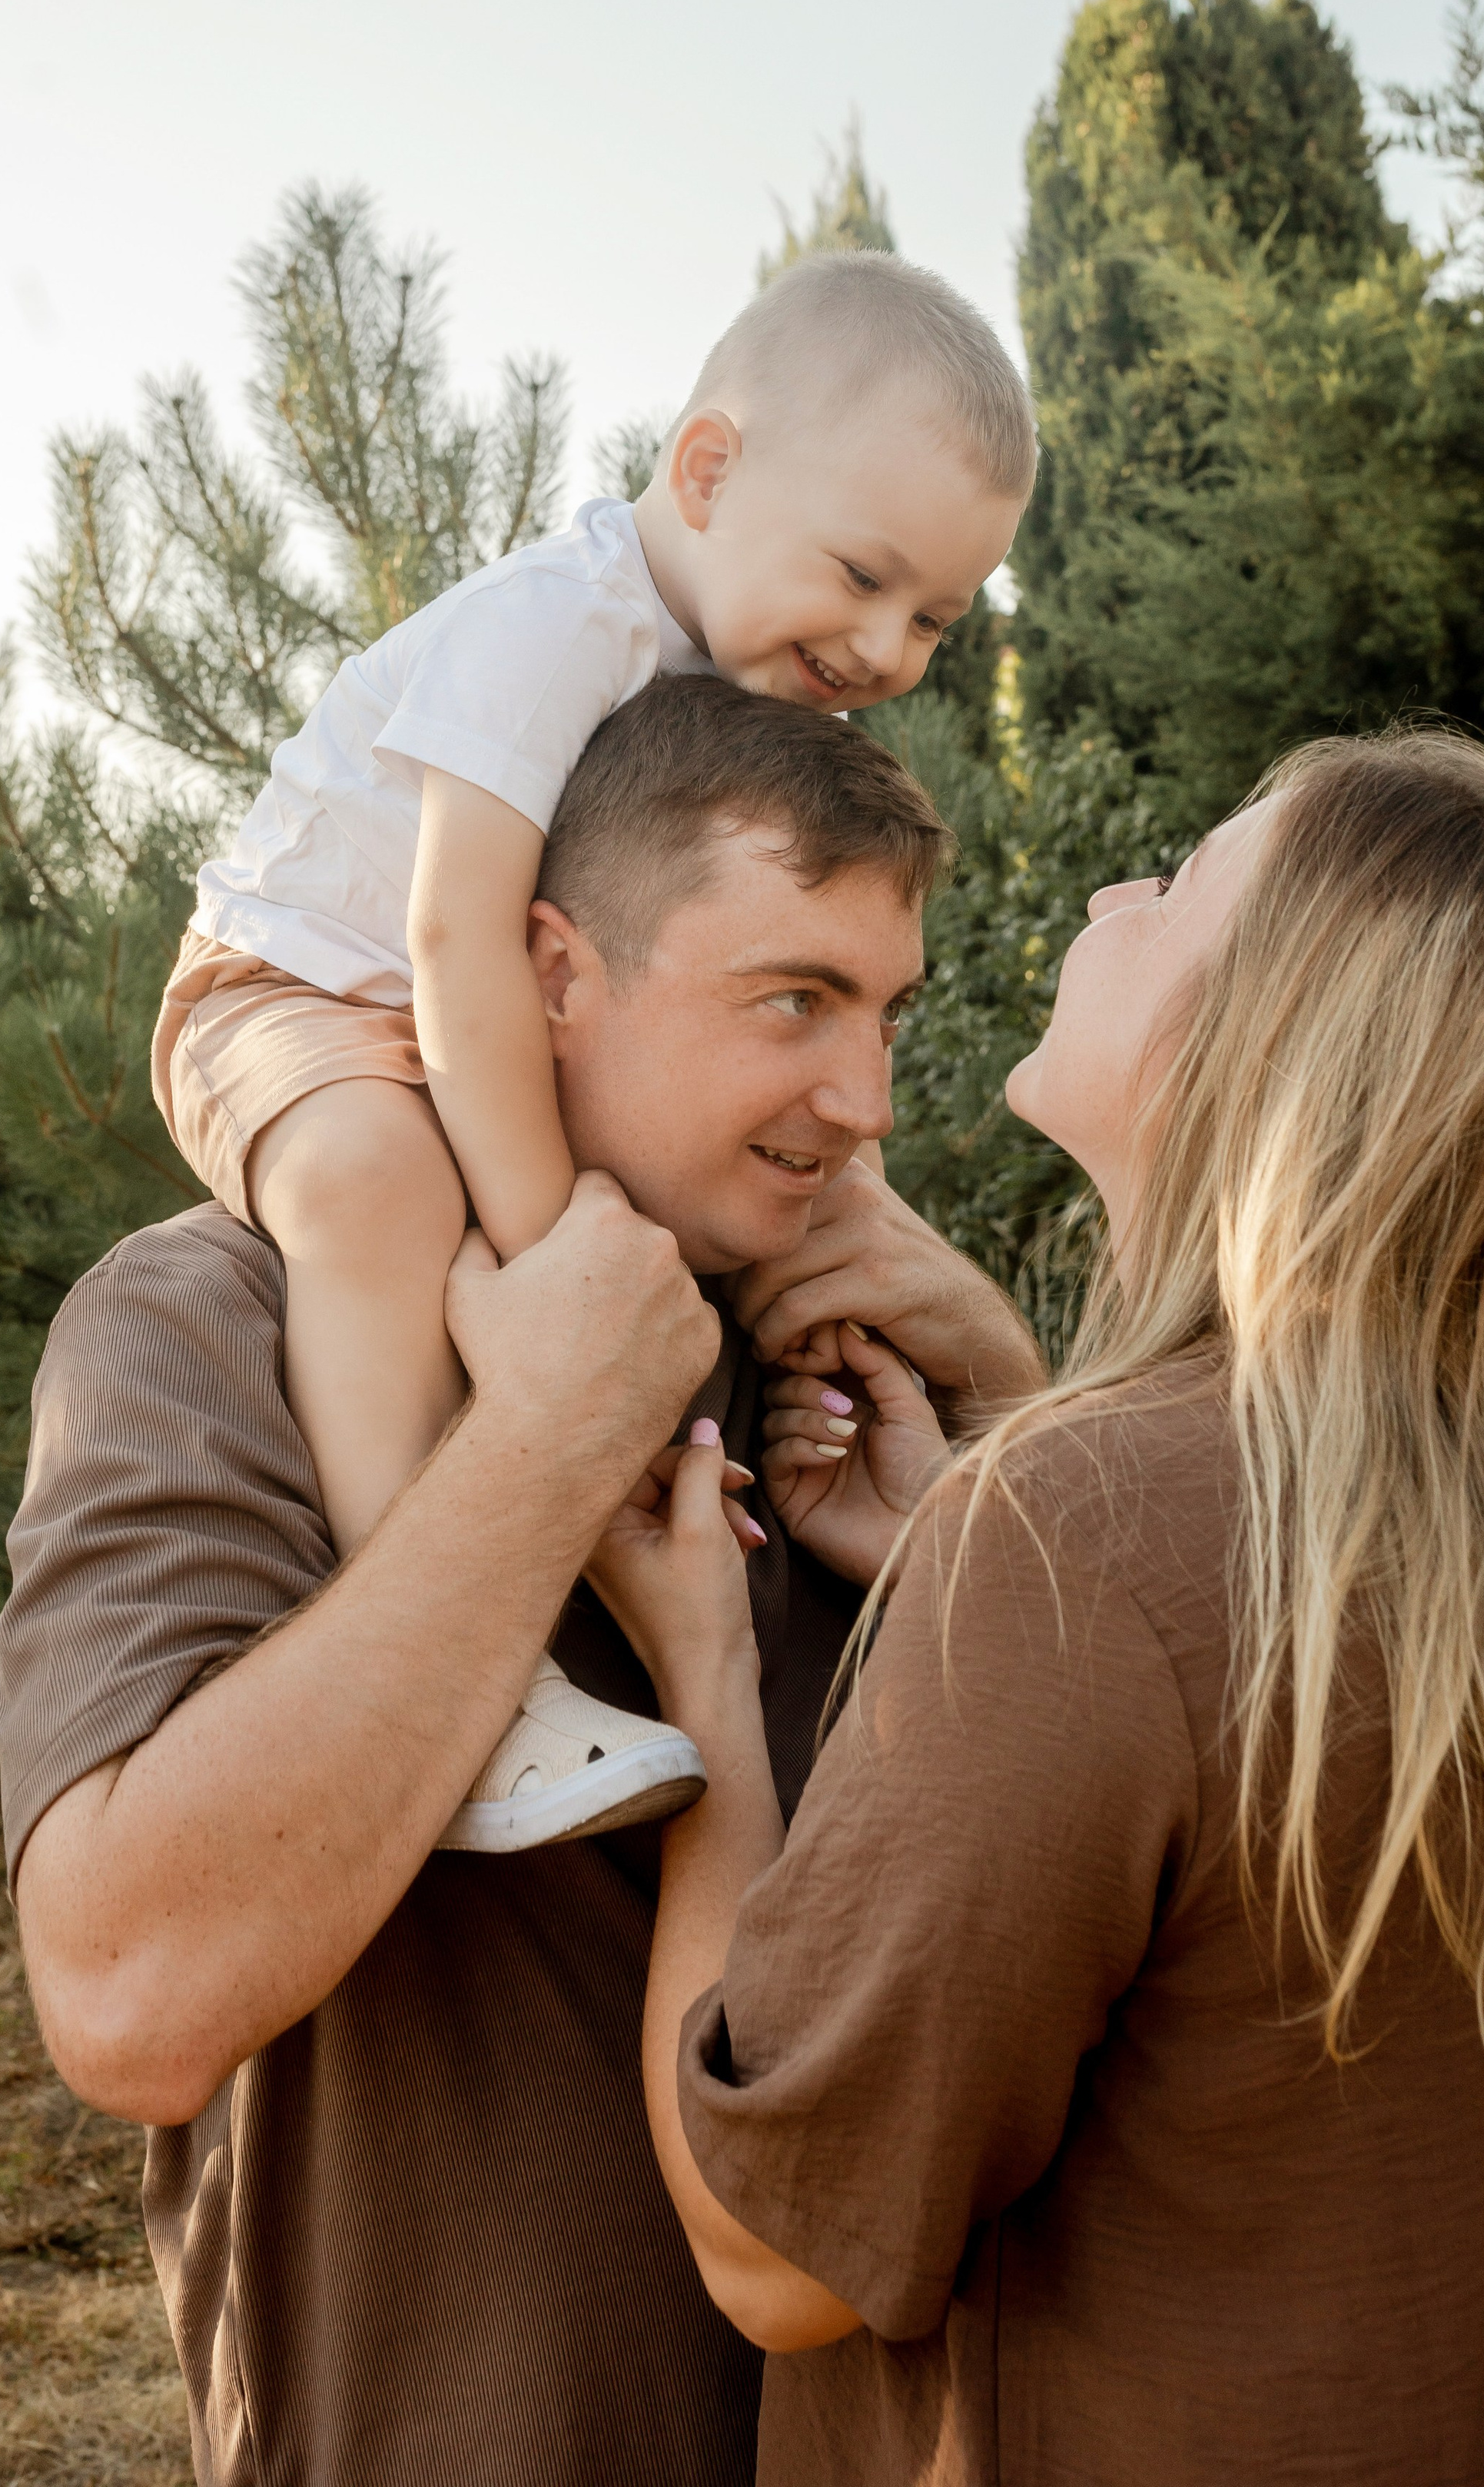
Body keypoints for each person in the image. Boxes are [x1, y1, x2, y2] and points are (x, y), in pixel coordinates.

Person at [601, 727, 1484, 2485]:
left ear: (1267, 1041)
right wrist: (982, 1552)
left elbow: (779, 2252)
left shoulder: (1086, 1533)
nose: (1116, 890)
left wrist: (705, 1685)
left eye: (1177, 885)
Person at [0, 676, 1045, 2487]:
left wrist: (1021, 1417)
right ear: (554, 971)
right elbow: (128, 1993)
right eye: (791, 998)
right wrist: (552, 1435)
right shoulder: (211, 1321)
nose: (862, 1102)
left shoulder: (864, 1375)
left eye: (882, 1014)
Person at [154, 250, 1032, 1851]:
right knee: (368, 1186)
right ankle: (457, 1664)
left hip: (456, 1003)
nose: (886, 647)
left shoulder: (754, 689)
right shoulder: (557, 628)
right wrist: (549, 1236)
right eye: (858, 574)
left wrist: (846, 1238)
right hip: (292, 978)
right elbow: (454, 941)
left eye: (935, 617)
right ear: (706, 469)